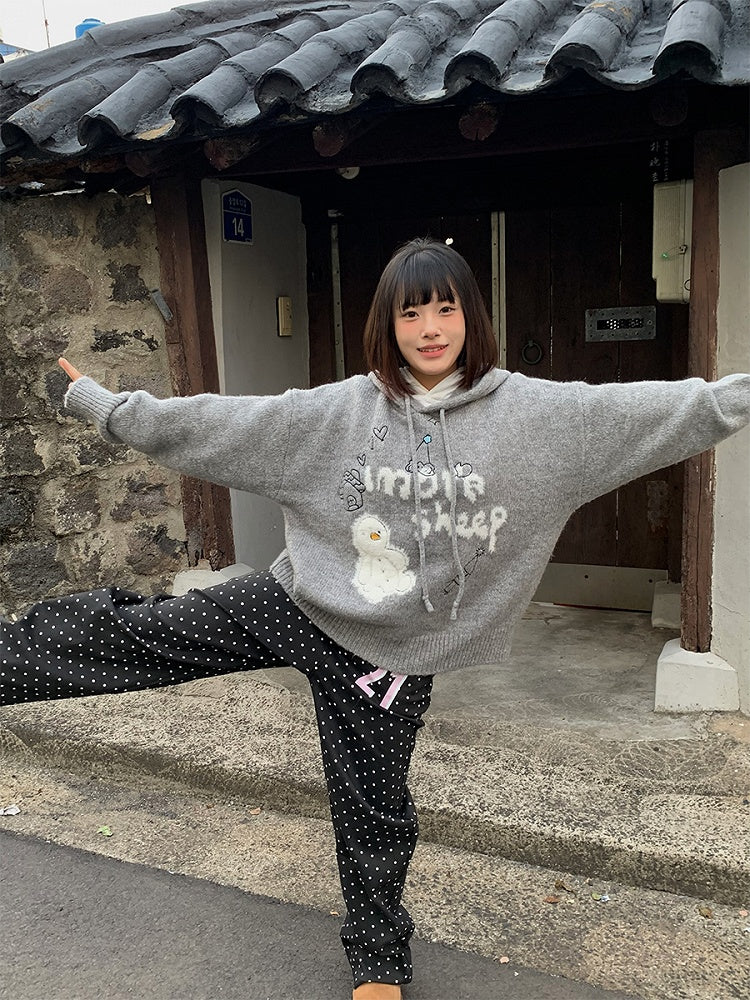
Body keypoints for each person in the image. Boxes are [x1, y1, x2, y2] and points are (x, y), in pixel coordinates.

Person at [2, 237, 749, 1000]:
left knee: (374, 808)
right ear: (387, 325)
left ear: (471, 315)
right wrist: (112, 409)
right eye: (410, 313)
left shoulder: (540, 417)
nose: (430, 328)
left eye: (445, 308)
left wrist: (740, 395)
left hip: (395, 655)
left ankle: (379, 964)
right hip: (303, 604)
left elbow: (662, 409)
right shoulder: (343, 411)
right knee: (148, 631)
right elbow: (228, 425)